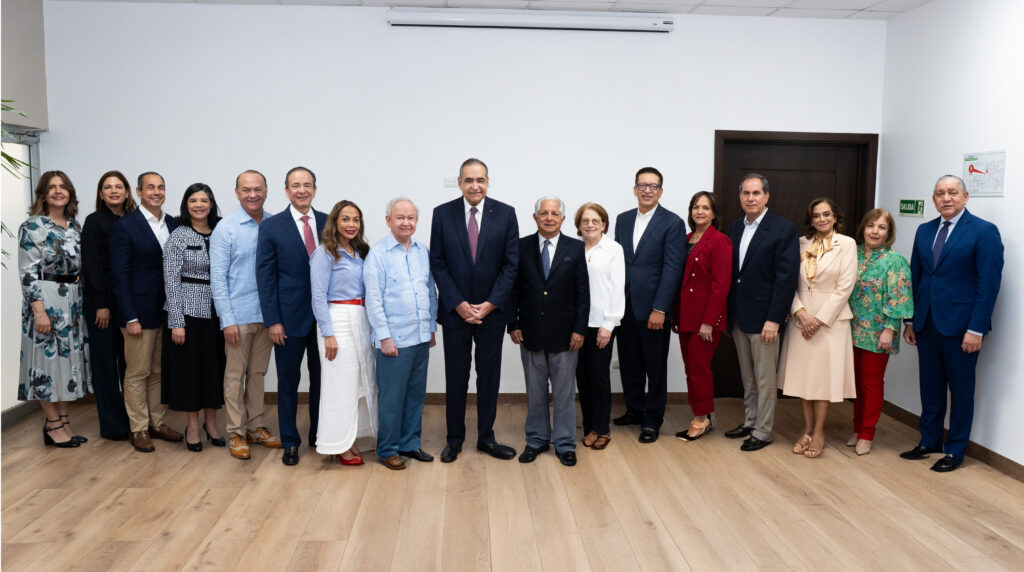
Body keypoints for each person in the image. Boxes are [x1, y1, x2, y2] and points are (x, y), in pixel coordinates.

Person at [901, 175, 1003, 472]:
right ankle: (929, 441)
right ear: (934, 199)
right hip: (926, 324)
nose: (946, 198)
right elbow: (917, 277)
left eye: (953, 192)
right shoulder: (924, 230)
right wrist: (911, 320)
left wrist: (976, 328)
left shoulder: (983, 231)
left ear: (965, 197)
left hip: (962, 327)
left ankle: (955, 450)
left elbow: (988, 285)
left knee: (961, 391)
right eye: (940, 193)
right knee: (930, 388)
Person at [430, 158, 519, 463]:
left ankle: (486, 438)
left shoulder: (506, 214)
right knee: (456, 376)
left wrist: (491, 304)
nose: (475, 185)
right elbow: (438, 262)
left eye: (480, 180)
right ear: (459, 183)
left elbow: (511, 264)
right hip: (455, 312)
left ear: (488, 182)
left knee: (488, 377)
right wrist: (458, 303)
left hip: (492, 313)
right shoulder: (442, 214)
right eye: (469, 180)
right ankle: (454, 439)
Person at [509, 197, 589, 467]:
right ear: (535, 217)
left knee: (564, 394)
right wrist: (513, 324)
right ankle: (536, 440)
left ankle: (565, 443)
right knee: (535, 393)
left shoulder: (575, 248)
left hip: (566, 336)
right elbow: (513, 290)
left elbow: (583, 294)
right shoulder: (521, 246)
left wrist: (580, 330)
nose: (549, 218)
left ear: (563, 219)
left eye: (555, 213)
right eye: (544, 213)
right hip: (529, 333)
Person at [256, 166, 326, 466]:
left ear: (315, 189)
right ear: (286, 191)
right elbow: (265, 278)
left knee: (323, 380)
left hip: (324, 320)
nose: (302, 190)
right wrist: (273, 320)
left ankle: (320, 436)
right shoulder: (272, 227)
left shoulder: (328, 222)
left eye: (307, 185)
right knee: (287, 382)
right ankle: (290, 441)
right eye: (296, 185)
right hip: (287, 319)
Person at [18, 171, 93, 448]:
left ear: (70, 192)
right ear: (43, 194)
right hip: (46, 300)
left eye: (63, 187)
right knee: (46, 364)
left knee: (67, 364)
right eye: (52, 187)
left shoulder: (74, 226)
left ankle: (64, 422)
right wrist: (39, 312)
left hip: (72, 300)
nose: (58, 191)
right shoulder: (33, 225)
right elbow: (27, 272)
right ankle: (52, 426)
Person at [777, 198, 857, 459]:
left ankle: (819, 432)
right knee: (805, 378)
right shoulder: (800, 243)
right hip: (801, 319)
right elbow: (788, 281)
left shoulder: (846, 244)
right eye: (816, 215)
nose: (821, 219)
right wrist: (800, 312)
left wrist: (819, 320)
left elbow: (845, 286)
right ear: (810, 220)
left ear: (835, 217)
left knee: (823, 379)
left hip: (830, 322)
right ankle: (807, 429)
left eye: (826, 214)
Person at [210, 170, 281, 460]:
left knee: (258, 374)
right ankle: (236, 432)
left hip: (268, 315)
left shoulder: (275, 224)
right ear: (237, 192)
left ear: (266, 190)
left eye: (258, 189)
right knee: (234, 376)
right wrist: (227, 319)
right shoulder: (226, 228)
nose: (253, 195)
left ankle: (256, 427)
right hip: (238, 316)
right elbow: (218, 278)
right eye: (246, 190)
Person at [726, 173, 799, 452]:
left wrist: (774, 319)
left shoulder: (783, 229)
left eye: (756, 193)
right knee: (748, 377)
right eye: (746, 193)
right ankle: (750, 421)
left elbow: (786, 279)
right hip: (739, 316)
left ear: (766, 196)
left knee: (765, 379)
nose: (751, 198)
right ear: (740, 197)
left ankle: (764, 431)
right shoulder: (735, 227)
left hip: (765, 319)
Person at [363, 198, 438, 470]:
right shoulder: (377, 255)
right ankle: (388, 449)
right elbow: (373, 300)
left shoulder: (422, 252)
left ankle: (409, 443)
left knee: (415, 396)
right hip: (393, 340)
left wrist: (431, 328)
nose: (406, 222)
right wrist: (384, 337)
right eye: (400, 217)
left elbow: (430, 292)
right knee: (392, 399)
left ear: (416, 221)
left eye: (411, 218)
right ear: (388, 221)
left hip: (420, 337)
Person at [612, 167, 685, 443]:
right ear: (634, 189)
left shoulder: (673, 223)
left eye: (653, 186)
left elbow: (672, 268)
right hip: (625, 306)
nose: (647, 190)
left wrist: (661, 308)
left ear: (660, 192)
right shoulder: (622, 219)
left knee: (654, 367)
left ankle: (652, 420)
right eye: (642, 185)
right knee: (629, 363)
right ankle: (634, 409)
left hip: (654, 309)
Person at [111, 171, 183, 452]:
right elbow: (120, 276)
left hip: (166, 312)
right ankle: (139, 428)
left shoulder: (173, 223)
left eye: (161, 187)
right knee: (138, 372)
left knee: (158, 372)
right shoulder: (125, 226)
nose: (156, 192)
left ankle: (157, 423)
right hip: (138, 314)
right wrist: (130, 317)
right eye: (150, 187)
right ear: (139, 192)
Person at [310, 200, 378, 466]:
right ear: (335, 222)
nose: (351, 224)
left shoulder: (361, 252)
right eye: (346, 219)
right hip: (337, 320)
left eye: (356, 220)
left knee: (362, 381)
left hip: (361, 318)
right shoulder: (325, 253)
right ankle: (338, 443)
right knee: (340, 384)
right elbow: (318, 296)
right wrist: (328, 333)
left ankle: (355, 436)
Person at [162, 183, 226, 452]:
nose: (199, 205)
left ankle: (211, 424)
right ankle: (192, 426)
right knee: (190, 372)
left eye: (204, 200)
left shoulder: (221, 231)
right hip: (188, 313)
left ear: (211, 204)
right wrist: (177, 321)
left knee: (214, 369)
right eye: (193, 201)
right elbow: (170, 279)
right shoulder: (179, 235)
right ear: (186, 205)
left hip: (217, 313)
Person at [847, 209, 913, 456]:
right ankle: (857, 429)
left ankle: (867, 433)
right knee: (854, 383)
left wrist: (890, 329)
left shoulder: (895, 261)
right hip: (847, 329)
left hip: (878, 333)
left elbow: (900, 297)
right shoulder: (850, 253)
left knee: (870, 383)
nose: (875, 231)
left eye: (881, 227)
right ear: (863, 228)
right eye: (871, 226)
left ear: (889, 233)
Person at [673, 191, 732, 441]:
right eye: (696, 207)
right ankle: (703, 415)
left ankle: (701, 418)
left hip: (705, 320)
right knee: (691, 369)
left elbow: (721, 284)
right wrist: (676, 316)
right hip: (686, 316)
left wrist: (709, 321)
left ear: (714, 213)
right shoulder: (687, 239)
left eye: (706, 207)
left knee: (699, 369)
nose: (700, 211)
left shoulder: (719, 241)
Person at [81, 171, 135, 441]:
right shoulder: (93, 222)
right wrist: (101, 304)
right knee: (105, 364)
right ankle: (114, 426)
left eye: (118, 186)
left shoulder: (135, 220)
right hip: (101, 302)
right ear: (101, 194)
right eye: (107, 187)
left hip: (129, 302)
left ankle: (134, 421)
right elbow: (90, 265)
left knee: (130, 364)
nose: (114, 191)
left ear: (127, 191)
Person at [574, 202, 624, 451]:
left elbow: (617, 288)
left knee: (599, 376)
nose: (590, 225)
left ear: (604, 224)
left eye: (595, 220)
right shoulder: (573, 248)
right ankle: (589, 427)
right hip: (576, 324)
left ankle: (602, 428)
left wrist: (609, 324)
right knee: (582, 377)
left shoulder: (613, 249)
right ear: (579, 225)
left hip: (601, 324)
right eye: (585, 221)